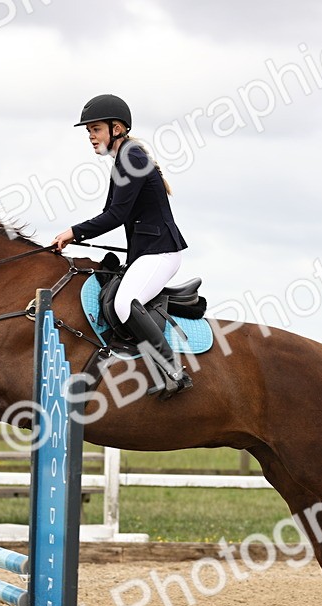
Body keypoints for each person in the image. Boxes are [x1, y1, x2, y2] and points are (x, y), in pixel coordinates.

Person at [52, 94, 192, 398]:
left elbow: (116, 216)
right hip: (148, 252)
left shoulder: (131, 158)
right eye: (88, 131)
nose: (91, 137)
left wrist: (73, 233)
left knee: (124, 303)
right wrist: (76, 236)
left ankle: (173, 371)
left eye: (96, 129)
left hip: (161, 252)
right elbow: (110, 213)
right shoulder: (123, 159)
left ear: (116, 129)